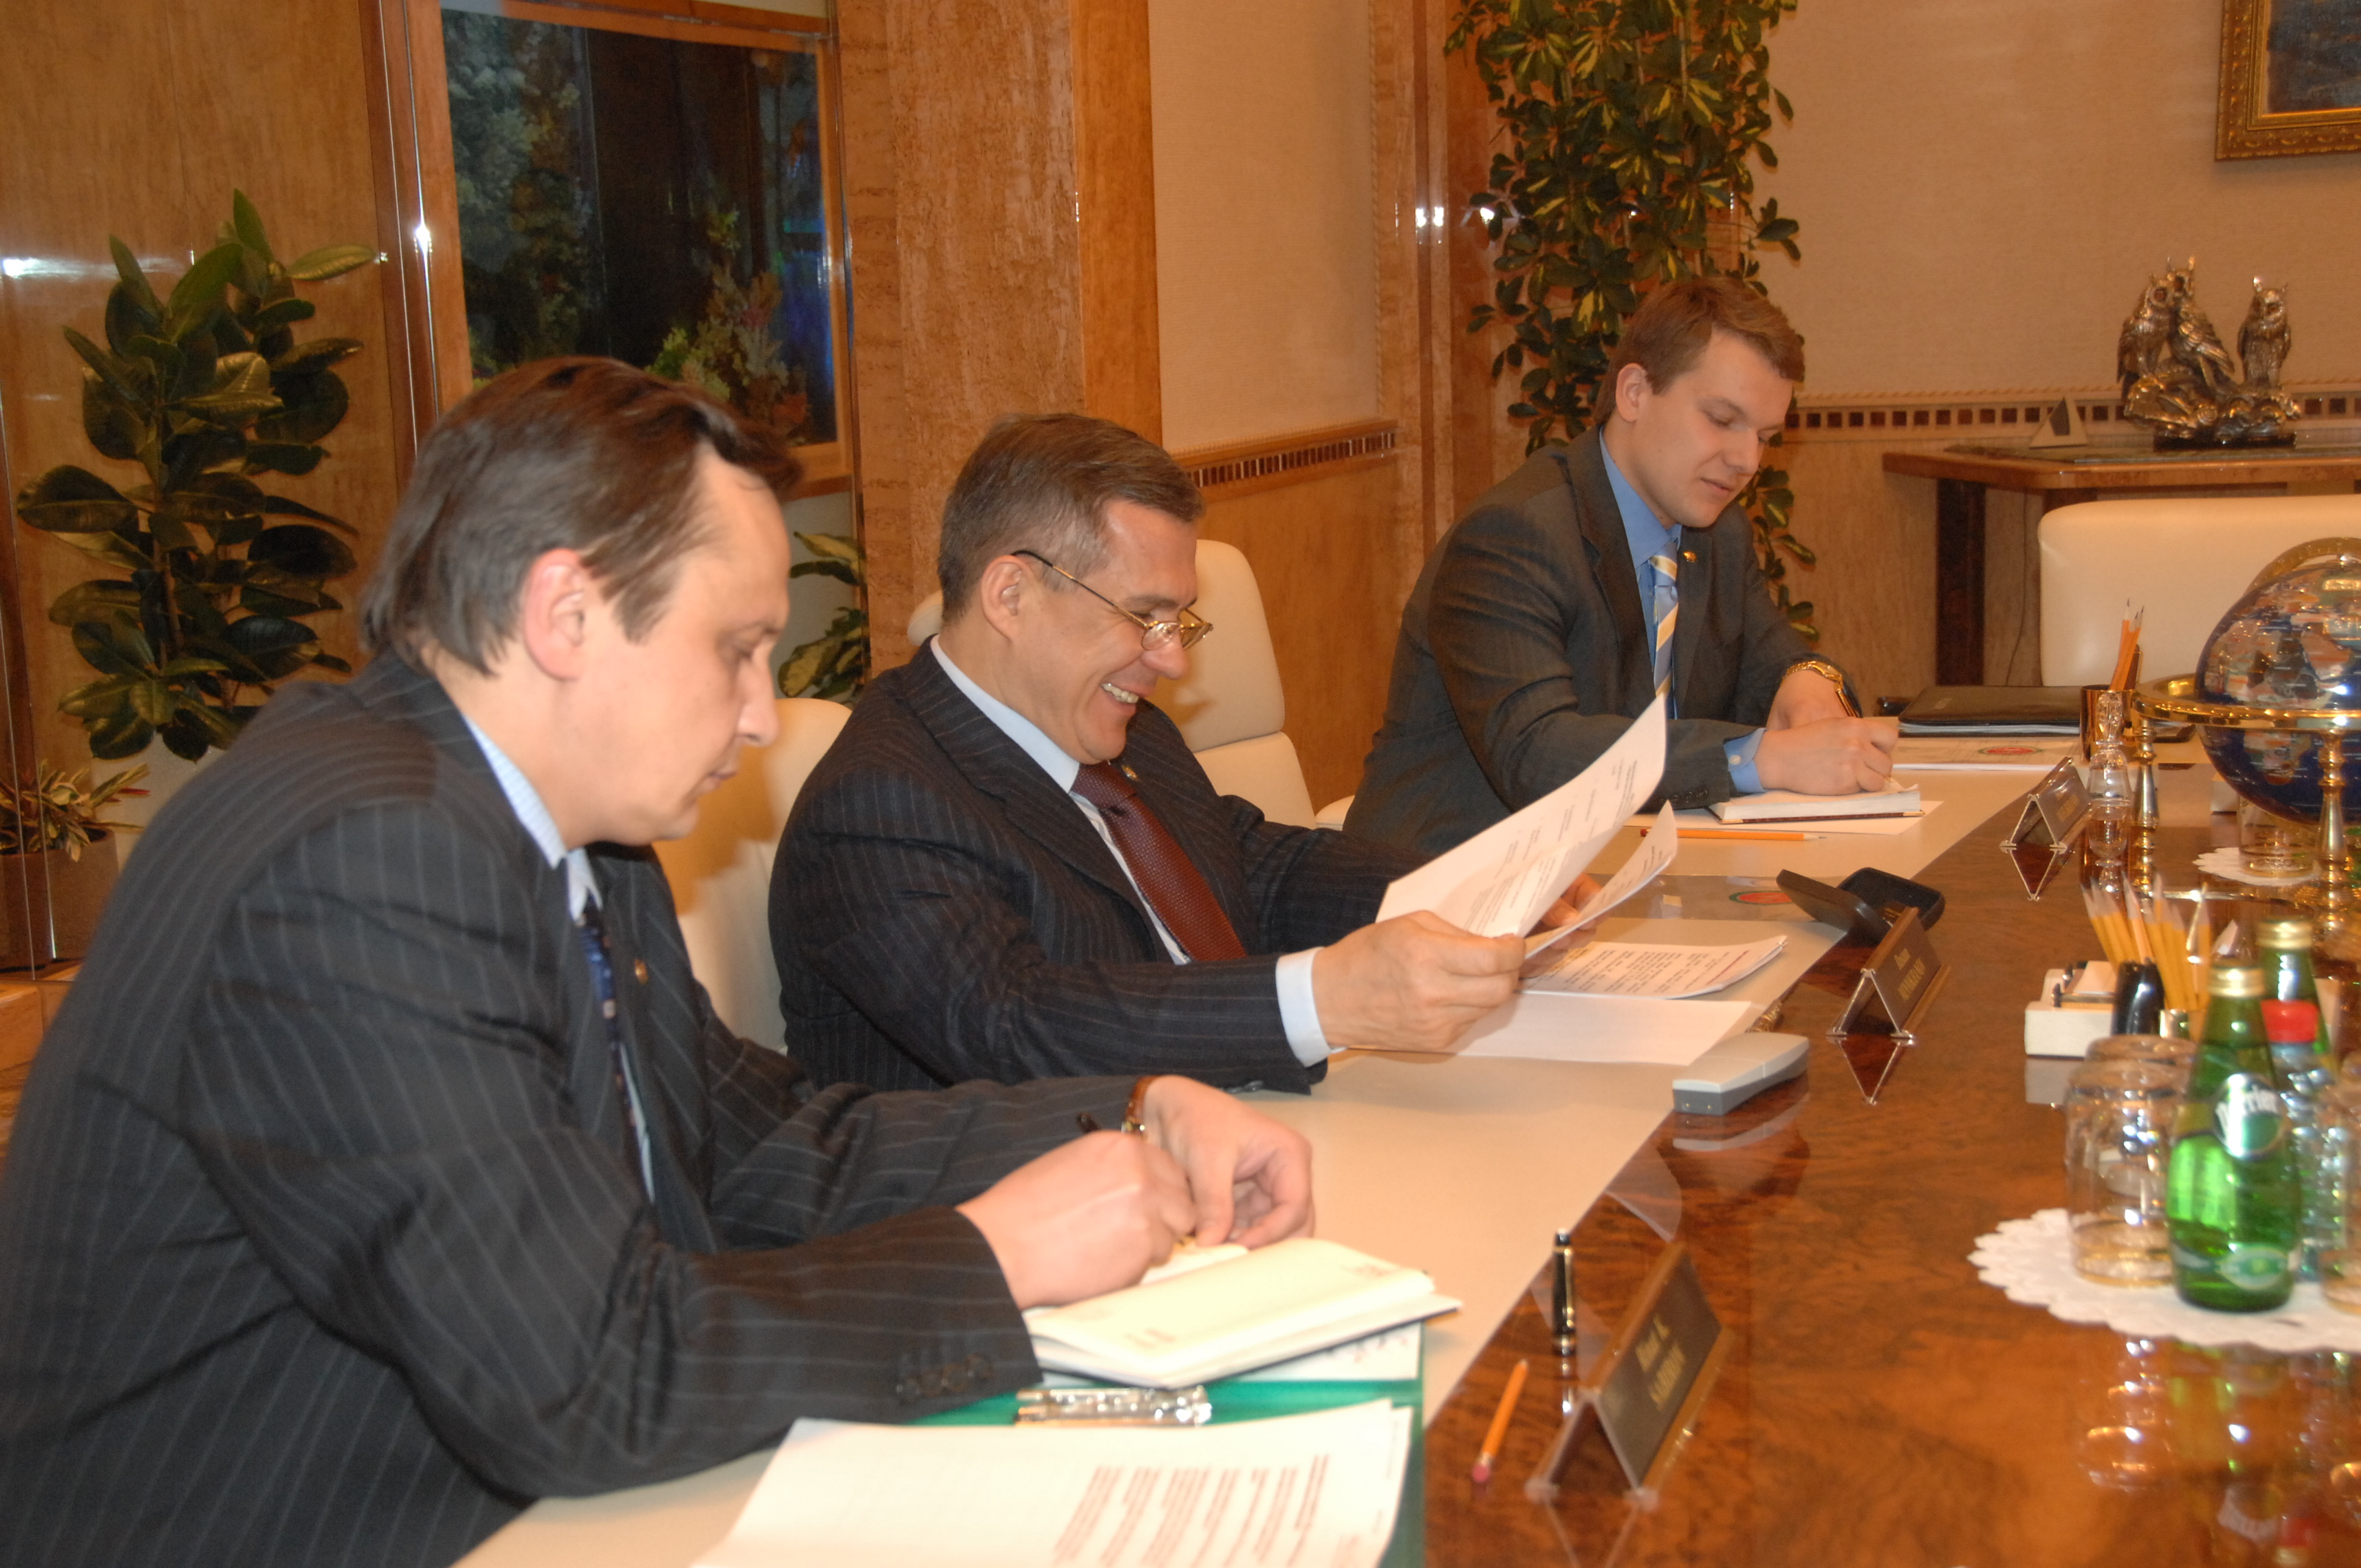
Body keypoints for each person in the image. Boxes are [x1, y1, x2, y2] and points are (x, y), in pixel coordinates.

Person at [0, 360, 1315, 1568]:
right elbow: (586, 1377)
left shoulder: (573, 830)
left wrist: (1129, 1109)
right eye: (736, 649)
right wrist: (990, 1259)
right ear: (565, 612)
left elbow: (752, 1143)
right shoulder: (357, 859)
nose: (762, 715)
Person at [771, 413, 1538, 1095]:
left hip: (1238, 1127)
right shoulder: (879, 804)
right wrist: (1321, 1001)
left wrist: (1471, 888)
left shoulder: (1125, 729)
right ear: (1011, 596)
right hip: (1042, 1189)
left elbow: (1249, 865)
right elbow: (1017, 1026)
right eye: (1143, 617)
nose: (1171, 660)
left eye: (1178, 621)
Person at [1346, 277, 1898, 857]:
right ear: (1634, 393)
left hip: (1622, 869)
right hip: (1450, 878)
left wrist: (1809, 682)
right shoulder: (1515, 534)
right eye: (1721, 419)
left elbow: (1774, 659)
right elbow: (1538, 755)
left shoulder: (1716, 533)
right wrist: (1757, 758)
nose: (1746, 461)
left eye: (1764, 437)